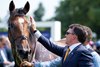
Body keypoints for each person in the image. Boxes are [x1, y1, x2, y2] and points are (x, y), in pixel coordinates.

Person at [20, 17, 94, 67]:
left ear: (74, 37)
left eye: (68, 33)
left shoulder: (83, 52)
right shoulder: (67, 50)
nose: (65, 35)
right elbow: (51, 46)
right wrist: (35, 31)